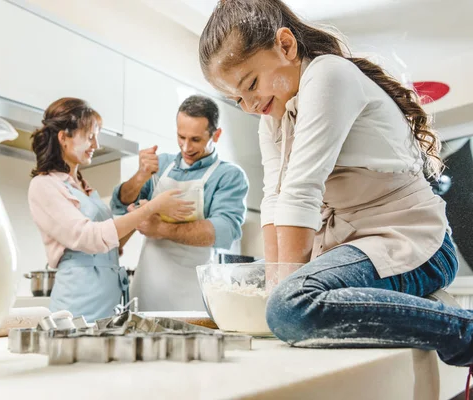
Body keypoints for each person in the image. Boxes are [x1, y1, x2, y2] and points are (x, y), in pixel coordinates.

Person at [198, 0, 473, 370]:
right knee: (279, 296)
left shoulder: (329, 75)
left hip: (416, 246)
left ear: (286, 45)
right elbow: (275, 199)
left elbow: (301, 190)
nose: (249, 105)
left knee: (288, 306)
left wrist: (281, 298)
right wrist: (273, 282)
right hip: (356, 248)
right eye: (237, 98)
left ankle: (465, 331)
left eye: (252, 84)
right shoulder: (273, 118)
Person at [27, 98, 194, 322]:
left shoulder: (84, 189)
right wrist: (151, 208)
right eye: (90, 136)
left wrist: (143, 215)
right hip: (80, 303)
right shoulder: (44, 185)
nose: (96, 145)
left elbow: (110, 246)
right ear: (64, 137)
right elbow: (90, 238)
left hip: (111, 301)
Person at [110, 95, 249, 311]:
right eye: (180, 136)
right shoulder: (161, 165)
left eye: (195, 140)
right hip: (148, 286)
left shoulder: (228, 175)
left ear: (216, 134)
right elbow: (120, 205)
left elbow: (224, 231)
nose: (186, 147)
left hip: (193, 292)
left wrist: (160, 228)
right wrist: (140, 176)